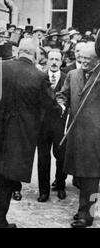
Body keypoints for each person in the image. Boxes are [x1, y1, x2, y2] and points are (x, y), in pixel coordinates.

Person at [0, 38, 58, 228]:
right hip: (18, 136)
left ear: (18, 51)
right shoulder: (39, 77)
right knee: (6, 178)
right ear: (36, 54)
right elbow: (51, 106)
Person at [57, 41, 100, 228]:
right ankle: (84, 209)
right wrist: (60, 102)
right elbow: (63, 94)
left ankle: (87, 216)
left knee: (91, 178)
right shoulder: (72, 74)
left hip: (95, 138)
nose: (83, 61)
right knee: (81, 177)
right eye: (80, 57)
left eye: (88, 59)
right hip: (76, 135)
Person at [37, 50, 67, 202]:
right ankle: (44, 191)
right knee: (43, 158)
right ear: (47, 61)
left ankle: (61, 185)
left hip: (60, 125)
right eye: (51, 59)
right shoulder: (40, 77)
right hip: (42, 125)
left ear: (62, 61)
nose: (54, 62)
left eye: (57, 59)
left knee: (61, 156)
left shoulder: (67, 77)